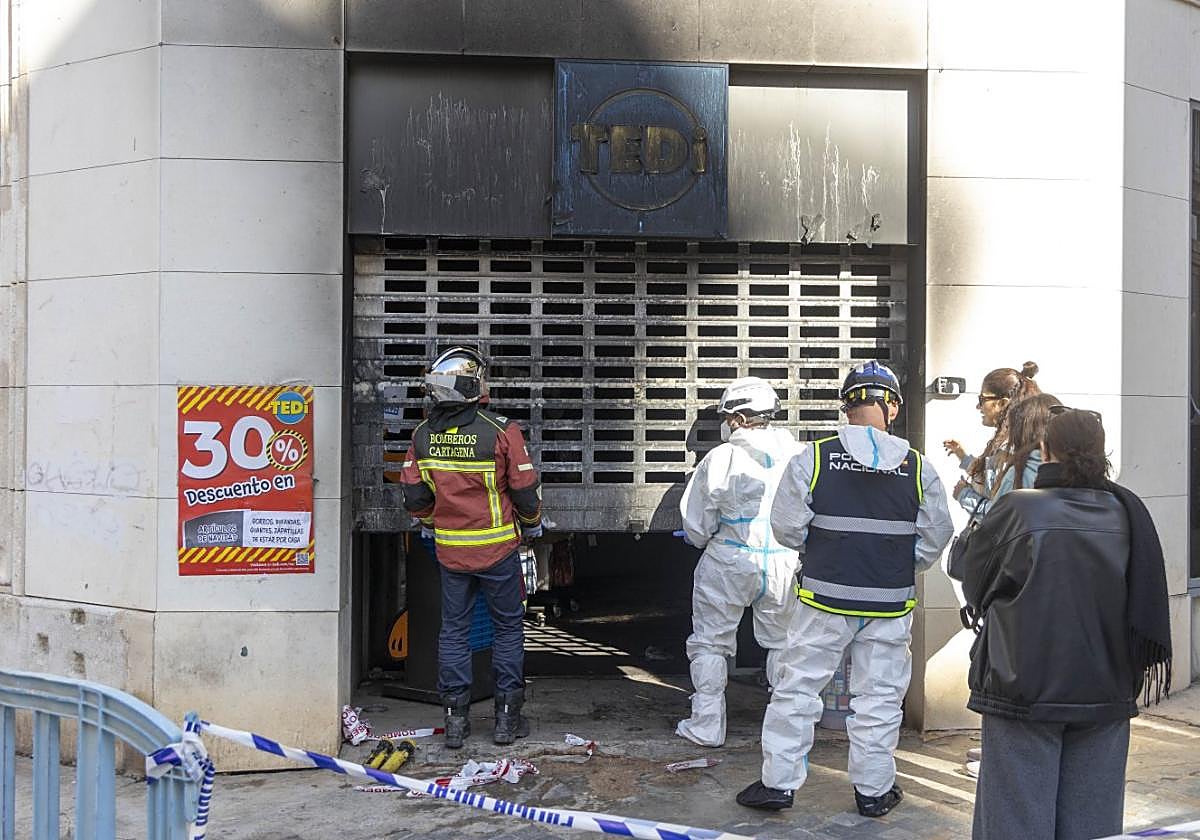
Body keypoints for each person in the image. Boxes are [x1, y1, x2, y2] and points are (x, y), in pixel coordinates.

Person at [737, 361, 954, 815]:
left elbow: (786, 527)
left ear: (846, 407)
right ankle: (874, 794)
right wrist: (891, 564)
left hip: (824, 600)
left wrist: (826, 554)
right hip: (890, 605)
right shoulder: (918, 468)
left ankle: (778, 785)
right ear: (892, 407)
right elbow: (936, 536)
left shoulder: (815, 457)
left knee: (797, 691)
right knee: (878, 700)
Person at [961, 407, 1172, 840]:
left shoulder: (1019, 509)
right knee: (1094, 828)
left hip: (1022, 687)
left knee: (1015, 823)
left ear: (1045, 449)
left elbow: (973, 580)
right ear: (1101, 452)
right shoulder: (1129, 513)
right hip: (1106, 688)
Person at [398, 347, 544, 749]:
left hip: (450, 554)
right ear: (470, 386)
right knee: (508, 630)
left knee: (454, 634)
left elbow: (413, 497)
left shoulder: (422, 435)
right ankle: (506, 721)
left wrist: (433, 523)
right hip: (498, 552)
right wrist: (531, 525)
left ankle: (456, 722)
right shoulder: (500, 430)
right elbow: (526, 493)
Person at [675, 376, 806, 748]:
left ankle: (706, 726)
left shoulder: (722, 457)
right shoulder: (799, 456)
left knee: (710, 644)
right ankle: (786, 731)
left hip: (730, 559)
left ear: (737, 417)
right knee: (784, 644)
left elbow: (697, 526)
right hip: (783, 562)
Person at [944, 362, 1041, 519]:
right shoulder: (1009, 444)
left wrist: (964, 495)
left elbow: (1001, 516)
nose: (978, 406)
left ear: (1002, 403)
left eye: (982, 399)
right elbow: (990, 484)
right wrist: (963, 457)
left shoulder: (1012, 450)